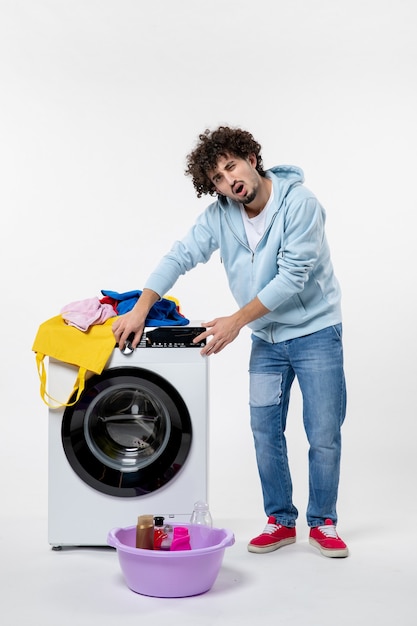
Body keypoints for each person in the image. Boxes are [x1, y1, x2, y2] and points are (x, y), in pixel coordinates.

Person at [112, 126, 349, 558]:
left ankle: (324, 522)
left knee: (324, 433)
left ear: (251, 159)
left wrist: (236, 322)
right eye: (217, 178)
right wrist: (141, 308)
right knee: (265, 431)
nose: (228, 181)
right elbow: (180, 254)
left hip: (316, 332)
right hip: (268, 340)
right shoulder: (221, 215)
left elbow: (292, 278)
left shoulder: (301, 204)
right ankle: (280, 519)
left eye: (231, 166)